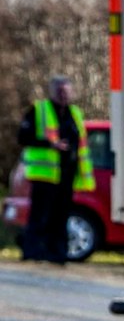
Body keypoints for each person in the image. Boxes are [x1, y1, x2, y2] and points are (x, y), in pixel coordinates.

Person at [17, 75, 94, 264]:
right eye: (60, 91)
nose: (64, 95)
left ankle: (58, 254)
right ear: (52, 92)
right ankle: (33, 251)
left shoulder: (75, 113)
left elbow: (82, 144)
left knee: (61, 217)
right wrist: (51, 145)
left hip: (67, 175)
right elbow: (23, 138)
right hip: (45, 175)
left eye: (67, 91)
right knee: (39, 215)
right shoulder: (39, 110)